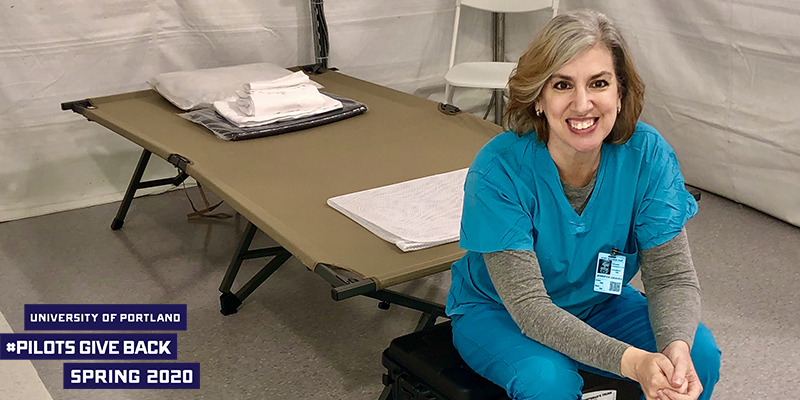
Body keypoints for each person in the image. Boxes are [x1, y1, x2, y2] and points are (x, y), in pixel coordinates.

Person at [445, 9, 721, 400]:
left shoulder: (646, 155)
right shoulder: (498, 170)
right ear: (539, 98)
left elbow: (671, 277)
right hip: (501, 311)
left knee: (699, 357)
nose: (582, 103)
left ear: (620, 93)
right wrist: (632, 362)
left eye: (599, 83)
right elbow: (530, 308)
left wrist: (675, 347)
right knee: (547, 380)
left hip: (597, 302)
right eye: (562, 85)